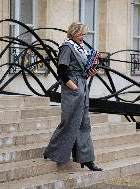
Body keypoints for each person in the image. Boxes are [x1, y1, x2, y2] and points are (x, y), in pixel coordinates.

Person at [43, 22, 102, 171]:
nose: (83, 37)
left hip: (82, 87)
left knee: (84, 123)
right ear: (74, 33)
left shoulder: (80, 48)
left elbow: (81, 70)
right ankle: (53, 152)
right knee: (69, 122)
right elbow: (62, 72)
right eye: (81, 34)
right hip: (72, 89)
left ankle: (87, 159)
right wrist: (75, 89)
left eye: (84, 34)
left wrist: (90, 72)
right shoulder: (66, 47)